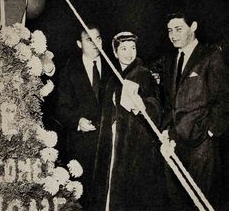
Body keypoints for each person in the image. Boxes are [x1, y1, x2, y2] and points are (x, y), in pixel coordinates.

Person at [161, 11, 229, 210]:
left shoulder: (211, 56)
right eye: (169, 30)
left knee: (200, 201)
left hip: (201, 146)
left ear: (194, 27)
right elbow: (170, 102)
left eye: (178, 29)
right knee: (177, 201)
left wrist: (210, 131)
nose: (173, 35)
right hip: (175, 143)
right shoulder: (171, 60)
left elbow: (224, 98)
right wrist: (166, 130)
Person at [91, 32, 167, 211]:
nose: (129, 53)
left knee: (133, 195)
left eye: (132, 48)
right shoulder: (112, 79)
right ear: (115, 52)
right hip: (113, 145)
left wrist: (141, 104)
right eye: (123, 48)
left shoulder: (143, 74)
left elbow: (156, 107)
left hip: (136, 147)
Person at [55, 24, 111, 210]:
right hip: (81, 148)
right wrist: (77, 121)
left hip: (109, 146)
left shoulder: (114, 67)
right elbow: (61, 108)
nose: (95, 43)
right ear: (79, 43)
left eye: (98, 38)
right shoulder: (69, 69)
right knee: (84, 201)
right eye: (89, 39)